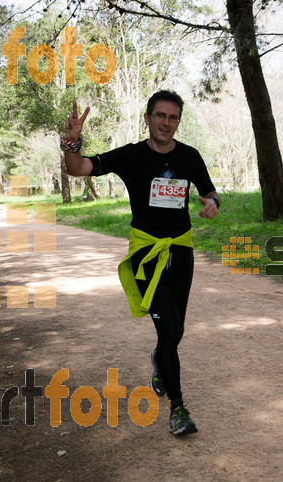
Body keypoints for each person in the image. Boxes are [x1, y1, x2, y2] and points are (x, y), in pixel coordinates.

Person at [62, 90, 220, 436]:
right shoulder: (131, 156)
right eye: (160, 115)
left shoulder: (190, 156)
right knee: (167, 331)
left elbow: (210, 191)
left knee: (176, 330)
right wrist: (71, 145)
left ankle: (159, 362)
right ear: (147, 118)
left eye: (173, 117)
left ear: (178, 121)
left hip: (181, 251)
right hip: (146, 254)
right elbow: (81, 169)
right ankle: (178, 409)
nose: (166, 122)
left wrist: (212, 203)